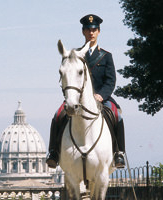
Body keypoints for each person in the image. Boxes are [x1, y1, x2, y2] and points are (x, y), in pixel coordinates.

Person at [46, 14, 126, 169]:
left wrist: (101, 95)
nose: (91, 32)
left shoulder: (106, 56)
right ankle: (54, 152)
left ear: (99, 32)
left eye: (94, 29)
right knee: (57, 115)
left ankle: (119, 153)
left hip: (101, 97)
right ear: (83, 32)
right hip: (77, 98)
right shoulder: (74, 55)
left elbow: (111, 81)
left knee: (117, 115)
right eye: (88, 29)